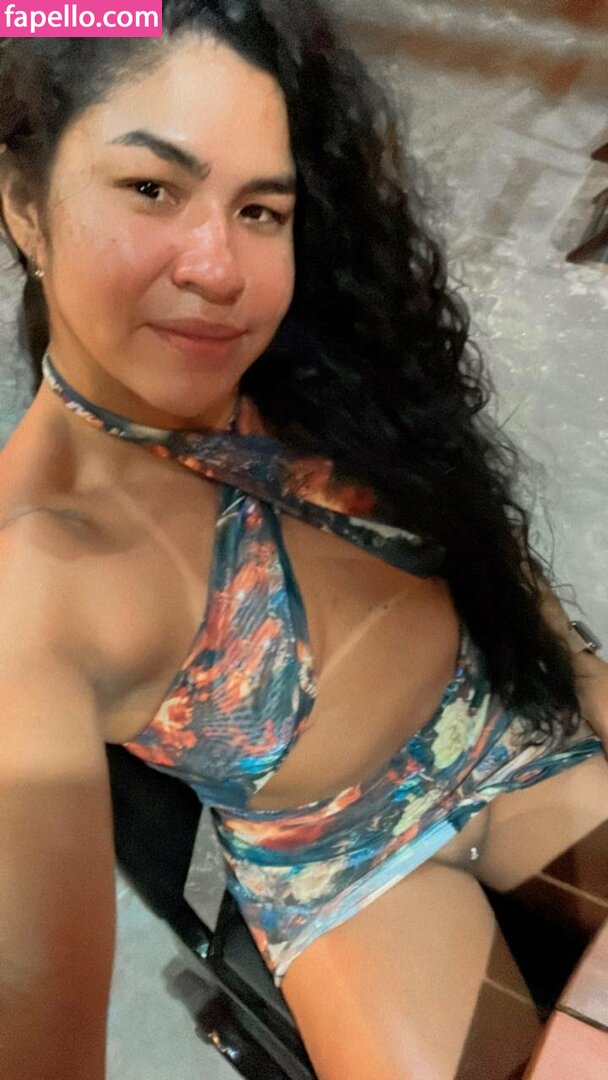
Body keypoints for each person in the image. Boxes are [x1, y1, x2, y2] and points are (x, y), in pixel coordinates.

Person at [0, 4, 607, 1078]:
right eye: (151, 188)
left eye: (260, 209)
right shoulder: (30, 584)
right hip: (349, 870)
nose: (220, 269)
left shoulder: (322, 352)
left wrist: (586, 680)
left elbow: (478, 542)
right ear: (24, 205)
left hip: (510, 732)